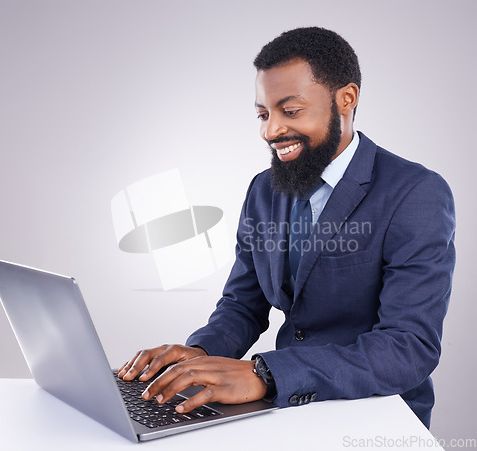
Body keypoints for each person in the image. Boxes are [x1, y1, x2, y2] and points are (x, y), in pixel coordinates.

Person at [118, 27, 455, 429]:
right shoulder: (265, 189)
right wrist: (200, 354)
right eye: (263, 114)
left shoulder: (415, 192)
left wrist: (266, 374)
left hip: (377, 414)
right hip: (290, 408)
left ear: (346, 99)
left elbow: (407, 348)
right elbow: (243, 304)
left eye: (290, 111)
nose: (270, 131)